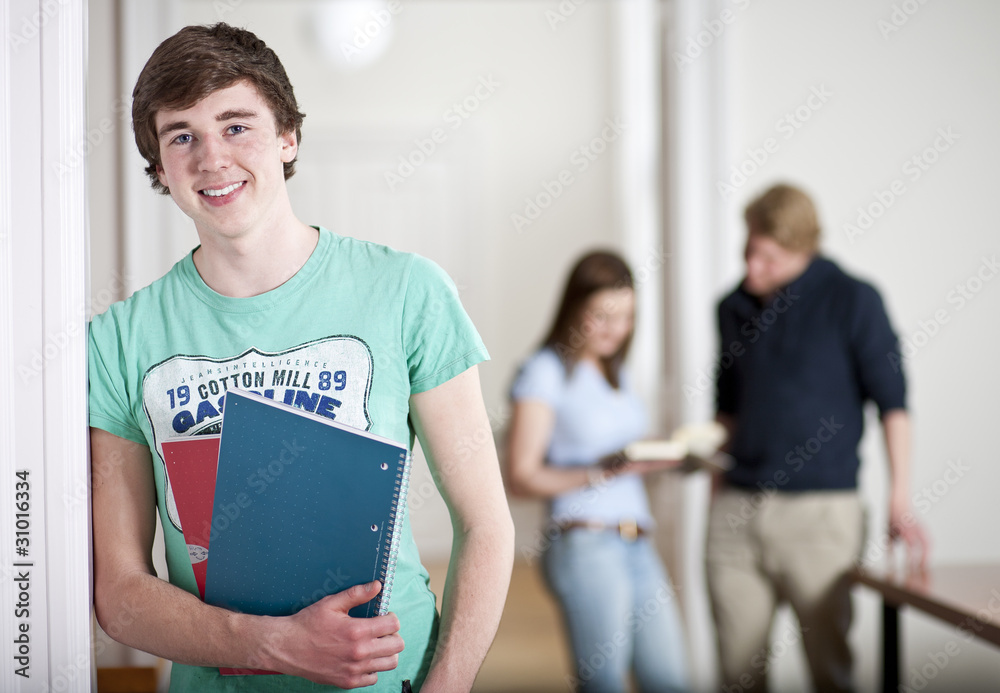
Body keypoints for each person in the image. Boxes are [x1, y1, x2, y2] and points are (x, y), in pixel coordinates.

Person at [88, 23, 514, 692]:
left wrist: (448, 682)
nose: (211, 158)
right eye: (182, 136)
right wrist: (275, 645)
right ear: (160, 165)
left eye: (236, 126)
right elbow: (119, 592)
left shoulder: (408, 292)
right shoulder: (117, 341)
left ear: (287, 136)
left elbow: (485, 522)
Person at [705, 182, 930, 692]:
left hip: (822, 515)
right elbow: (728, 412)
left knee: (829, 670)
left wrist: (900, 499)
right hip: (736, 512)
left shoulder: (855, 299)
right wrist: (692, 455)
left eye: (768, 257)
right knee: (737, 674)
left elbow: (893, 406)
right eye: (748, 252)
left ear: (804, 249)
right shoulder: (732, 308)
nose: (751, 269)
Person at [504, 251, 689, 693]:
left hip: (638, 540)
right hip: (585, 542)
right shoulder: (545, 372)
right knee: (603, 682)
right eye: (601, 316)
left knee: (671, 680)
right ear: (574, 309)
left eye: (626, 317)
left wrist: (662, 459)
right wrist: (601, 472)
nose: (615, 329)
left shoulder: (616, 374)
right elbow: (521, 476)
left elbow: (623, 459)